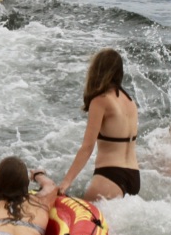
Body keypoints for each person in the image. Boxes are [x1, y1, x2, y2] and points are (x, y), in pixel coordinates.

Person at [59, 48, 140, 200]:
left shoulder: (100, 101)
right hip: (134, 177)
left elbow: (87, 147)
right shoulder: (130, 102)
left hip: (110, 176)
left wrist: (66, 182)